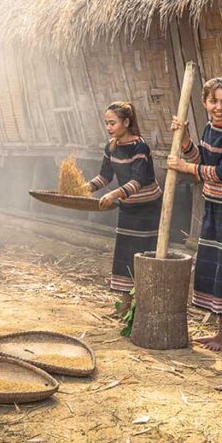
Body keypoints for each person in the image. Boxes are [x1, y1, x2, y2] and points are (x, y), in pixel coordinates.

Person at [167, 77, 222, 351]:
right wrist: (186, 138)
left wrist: (184, 168)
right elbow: (201, 159)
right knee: (214, 265)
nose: (219, 107)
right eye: (214, 101)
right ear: (204, 102)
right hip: (214, 204)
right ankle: (220, 334)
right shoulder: (210, 128)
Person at [87, 102, 163, 316]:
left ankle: (144, 308)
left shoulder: (140, 147)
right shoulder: (111, 147)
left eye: (112, 123)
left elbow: (138, 180)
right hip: (128, 207)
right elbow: (105, 176)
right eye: (106, 123)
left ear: (127, 122)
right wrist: (86, 187)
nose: (109, 127)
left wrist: (113, 194)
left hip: (148, 208)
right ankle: (123, 308)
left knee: (143, 255)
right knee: (124, 254)